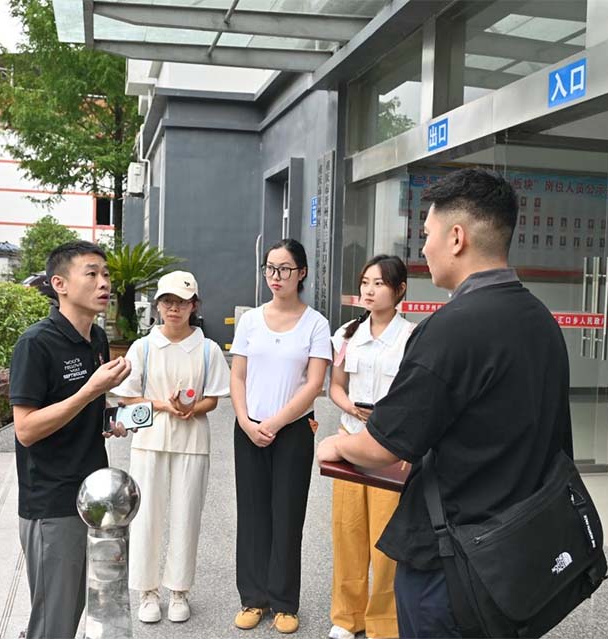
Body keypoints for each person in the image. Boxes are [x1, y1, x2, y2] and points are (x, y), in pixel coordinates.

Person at [317, 168, 573, 639]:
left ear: (457, 237)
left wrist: (336, 445)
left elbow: (383, 446)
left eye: (427, 234)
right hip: (518, 553)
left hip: (454, 559)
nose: (423, 248)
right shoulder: (541, 320)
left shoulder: (451, 328)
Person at [9, 240, 132, 639]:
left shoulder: (96, 338)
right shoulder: (35, 344)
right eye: (91, 274)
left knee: (81, 610)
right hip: (52, 504)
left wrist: (109, 417)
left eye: (106, 274)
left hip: (94, 499)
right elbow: (26, 429)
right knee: (54, 623)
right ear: (59, 284)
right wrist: (90, 391)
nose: (104, 283)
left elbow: (84, 409)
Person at [107, 270, 231, 624]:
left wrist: (191, 408)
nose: (173, 308)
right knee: (146, 515)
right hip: (149, 441)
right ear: (158, 306)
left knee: (186, 515)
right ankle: (147, 591)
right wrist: (165, 405)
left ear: (194, 306)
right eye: (167, 301)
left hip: (193, 442)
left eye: (181, 302)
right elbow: (127, 397)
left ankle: (179, 591)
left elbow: (213, 400)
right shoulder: (143, 347)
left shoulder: (207, 349)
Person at [230, 238, 332, 634]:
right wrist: (245, 420)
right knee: (252, 515)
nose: (276, 276)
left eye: (285, 269)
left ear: (301, 272)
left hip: (292, 432)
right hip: (248, 429)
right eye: (270, 268)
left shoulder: (316, 323)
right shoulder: (251, 320)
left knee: (287, 516)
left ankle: (285, 603)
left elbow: (314, 384)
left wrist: (274, 423)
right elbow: (238, 376)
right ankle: (253, 598)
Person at [328, 255, 414, 639]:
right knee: (347, 531)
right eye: (365, 282)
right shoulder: (347, 334)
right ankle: (347, 617)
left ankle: (384, 622)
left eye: (379, 283)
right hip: (350, 441)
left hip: (389, 447)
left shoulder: (411, 337)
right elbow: (335, 386)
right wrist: (350, 408)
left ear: (399, 290)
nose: (369, 290)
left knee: (385, 538)